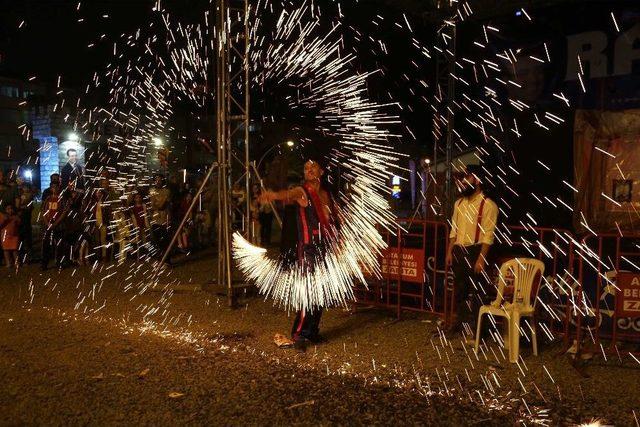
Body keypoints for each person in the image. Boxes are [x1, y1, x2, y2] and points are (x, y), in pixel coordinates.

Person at [259, 159, 336, 351]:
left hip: (325, 248)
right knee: (309, 291)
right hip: (308, 249)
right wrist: (274, 195)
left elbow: (333, 218)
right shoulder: (303, 191)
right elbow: (289, 194)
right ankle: (299, 333)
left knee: (321, 292)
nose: (309, 171)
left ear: (322, 170)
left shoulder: (326, 194)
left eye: (313, 167)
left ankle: (312, 332)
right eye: (306, 168)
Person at [444, 164, 499, 341]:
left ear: (477, 180)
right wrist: (449, 252)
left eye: (467, 177)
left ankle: (479, 331)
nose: (463, 181)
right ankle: (460, 324)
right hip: (460, 250)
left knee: (477, 293)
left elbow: (488, 235)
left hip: (475, 251)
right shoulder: (458, 203)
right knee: (459, 291)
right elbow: (454, 230)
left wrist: (481, 259)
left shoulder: (488, 205)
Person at [41, 184, 63, 270]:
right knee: (46, 244)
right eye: (53, 187)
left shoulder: (61, 199)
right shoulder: (48, 198)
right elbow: (43, 210)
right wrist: (47, 223)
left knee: (59, 244)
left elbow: (64, 212)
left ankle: (58, 263)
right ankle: (44, 263)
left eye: (56, 187)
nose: (54, 189)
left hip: (58, 225)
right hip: (48, 224)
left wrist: (56, 223)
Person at [149, 174, 171, 260]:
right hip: (155, 217)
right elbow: (153, 205)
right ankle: (161, 254)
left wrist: (169, 216)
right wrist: (162, 201)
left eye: (159, 180)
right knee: (156, 237)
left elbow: (166, 205)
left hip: (164, 216)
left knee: (165, 238)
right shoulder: (152, 191)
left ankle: (167, 258)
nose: (158, 181)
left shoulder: (166, 191)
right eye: (156, 180)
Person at [0, 204, 21, 270]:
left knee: (15, 250)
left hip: (14, 236)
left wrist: (18, 219)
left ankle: (17, 262)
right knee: (6, 250)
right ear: (5, 210)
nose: (10, 210)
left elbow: (19, 224)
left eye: (11, 208)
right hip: (5, 236)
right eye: (8, 209)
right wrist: (4, 220)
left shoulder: (15, 217)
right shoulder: (2, 216)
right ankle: (8, 263)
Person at [130, 192, 150, 259]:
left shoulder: (144, 206)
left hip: (143, 224)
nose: (138, 199)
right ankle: (137, 254)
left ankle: (145, 254)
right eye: (136, 198)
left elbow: (146, 215)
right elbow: (133, 217)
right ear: (134, 199)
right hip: (137, 224)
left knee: (145, 240)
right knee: (137, 240)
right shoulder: (133, 208)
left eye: (139, 197)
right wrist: (135, 225)